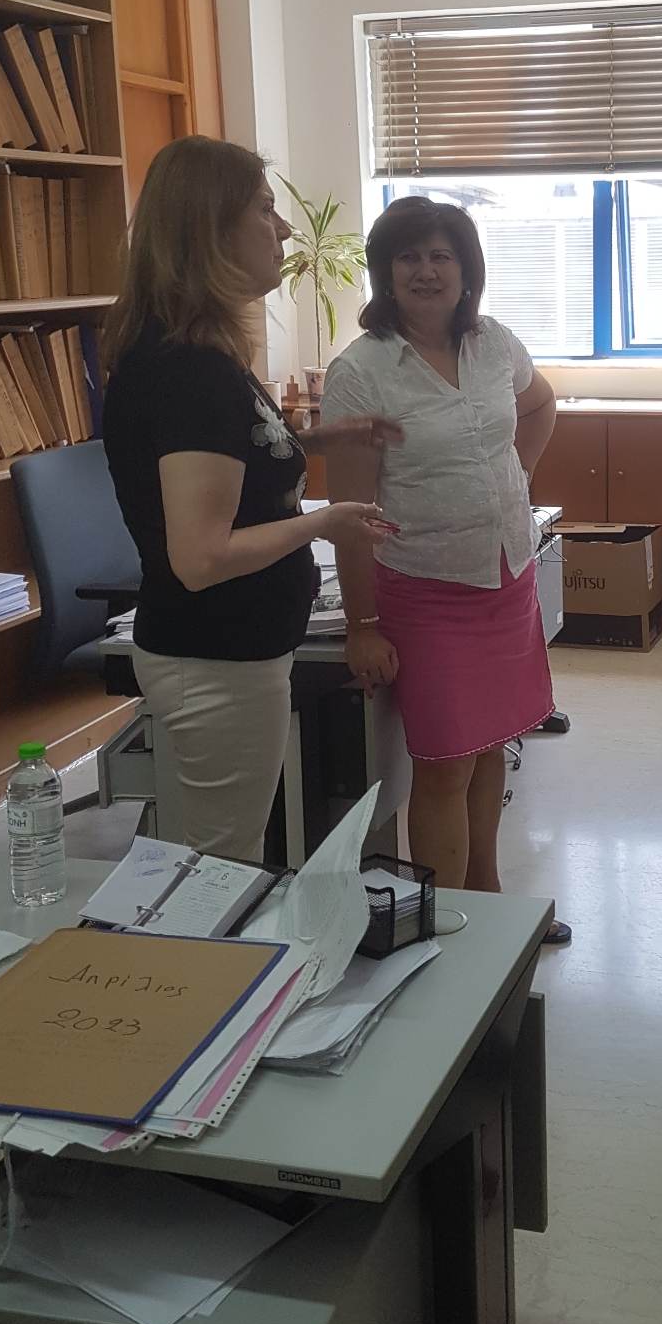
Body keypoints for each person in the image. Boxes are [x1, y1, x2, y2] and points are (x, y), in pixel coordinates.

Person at [102, 136, 400, 864]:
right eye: (266, 209)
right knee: (218, 867)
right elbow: (201, 557)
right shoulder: (190, 372)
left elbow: (231, 457)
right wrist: (324, 521)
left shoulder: (193, 354)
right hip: (215, 657)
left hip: (227, 651)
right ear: (211, 228)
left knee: (212, 858)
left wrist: (317, 440)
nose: (286, 228)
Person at [322, 195, 570, 941]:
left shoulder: (494, 344)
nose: (426, 271)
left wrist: (514, 481)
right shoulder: (360, 372)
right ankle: (445, 928)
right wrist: (362, 625)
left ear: (467, 271)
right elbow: (350, 511)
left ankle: (488, 902)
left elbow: (541, 406)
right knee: (442, 764)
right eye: (409, 257)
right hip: (426, 588)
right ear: (385, 273)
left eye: (441, 256)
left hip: (505, 576)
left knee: (492, 748)